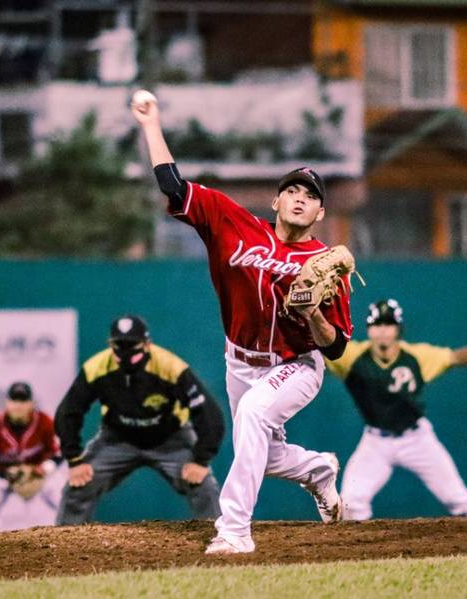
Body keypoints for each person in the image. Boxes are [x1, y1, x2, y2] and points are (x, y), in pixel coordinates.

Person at [132, 94, 354, 554]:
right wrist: (151, 124)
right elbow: (173, 186)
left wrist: (312, 313)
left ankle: (234, 531)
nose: (300, 198)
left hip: (296, 364)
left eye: (310, 196)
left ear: (320, 214)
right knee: (264, 453)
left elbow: (335, 349)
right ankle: (318, 471)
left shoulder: (326, 264)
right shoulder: (234, 223)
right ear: (275, 200)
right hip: (240, 360)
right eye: (292, 190)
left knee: (253, 416)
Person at [326, 298, 467, 521]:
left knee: (459, 499)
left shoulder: (416, 357)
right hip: (375, 442)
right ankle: (362, 551)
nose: (382, 330)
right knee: (351, 503)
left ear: (398, 329)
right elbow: (322, 351)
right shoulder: (352, 357)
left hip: (417, 438)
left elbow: (453, 357)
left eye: (388, 324)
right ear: (368, 329)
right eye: (377, 325)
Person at [54, 315, 224, 525]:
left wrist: (200, 460)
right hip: (117, 439)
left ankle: (221, 538)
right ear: (111, 345)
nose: (125, 351)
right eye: (119, 345)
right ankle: (63, 548)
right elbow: (68, 412)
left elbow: (208, 413)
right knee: (78, 485)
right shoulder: (96, 367)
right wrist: (74, 460)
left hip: (171, 440)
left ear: (147, 344)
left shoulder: (170, 367)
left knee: (203, 485)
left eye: (132, 345)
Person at [0, 381, 64, 534]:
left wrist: (45, 468)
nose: (18, 406)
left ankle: (78, 538)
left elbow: (59, 454)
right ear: (6, 403)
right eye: (14, 400)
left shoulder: (44, 421)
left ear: (32, 403)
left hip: (36, 473)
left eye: (23, 401)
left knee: (64, 499)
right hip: (3, 476)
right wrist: (7, 474)